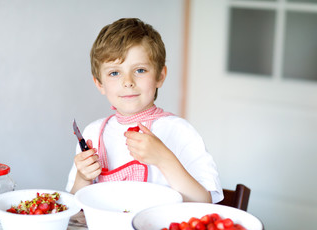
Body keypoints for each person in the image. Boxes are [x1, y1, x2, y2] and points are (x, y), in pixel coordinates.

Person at [66, 18, 223, 203]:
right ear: (99, 83)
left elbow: (204, 203)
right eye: (114, 73)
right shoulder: (93, 134)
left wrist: (164, 159)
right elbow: (74, 210)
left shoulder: (179, 131)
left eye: (140, 70)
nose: (127, 81)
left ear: (160, 76)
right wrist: (83, 178)